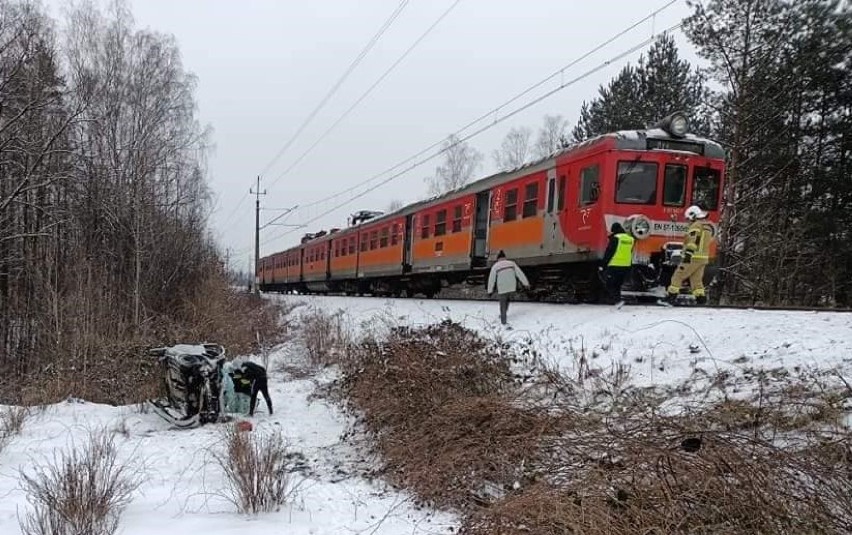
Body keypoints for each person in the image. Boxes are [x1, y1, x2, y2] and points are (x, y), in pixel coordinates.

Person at [665, 205, 714, 305]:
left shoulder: (696, 226)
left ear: (693, 216)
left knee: (678, 276)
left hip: (693, 257)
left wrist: (688, 254)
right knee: (696, 280)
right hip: (703, 258)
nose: (687, 221)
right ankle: (701, 299)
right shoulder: (707, 227)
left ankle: (671, 297)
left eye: (688, 219)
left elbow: (693, 240)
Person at [486, 250, 531, 325]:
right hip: (512, 287)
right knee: (507, 300)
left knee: (502, 303)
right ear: (505, 257)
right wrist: (526, 284)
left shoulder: (495, 266)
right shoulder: (512, 263)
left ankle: (503, 321)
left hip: (502, 288)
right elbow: (520, 274)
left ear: (498, 258)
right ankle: (504, 314)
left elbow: (491, 280)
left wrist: (489, 291)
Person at [600, 222, 635, 308]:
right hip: (626, 266)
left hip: (614, 265)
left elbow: (609, 253)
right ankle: (617, 300)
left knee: (609, 284)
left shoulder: (615, 238)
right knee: (617, 284)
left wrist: (603, 265)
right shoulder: (630, 239)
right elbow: (630, 252)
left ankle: (618, 300)